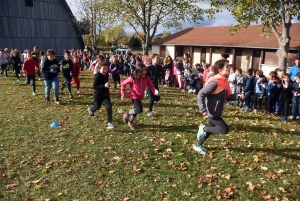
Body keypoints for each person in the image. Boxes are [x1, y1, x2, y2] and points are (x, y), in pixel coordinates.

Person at [194, 60, 239, 155]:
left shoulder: (225, 82)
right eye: (227, 67)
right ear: (220, 70)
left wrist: (238, 96)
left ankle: (198, 145)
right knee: (224, 129)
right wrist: (203, 109)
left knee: (211, 129)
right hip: (212, 112)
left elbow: (228, 97)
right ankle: (204, 128)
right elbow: (200, 94)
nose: (229, 68)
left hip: (216, 111)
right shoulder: (215, 83)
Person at [121, 63, 159, 130]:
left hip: (140, 96)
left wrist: (155, 91)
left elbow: (151, 86)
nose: (145, 72)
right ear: (138, 71)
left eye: (145, 70)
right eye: (143, 70)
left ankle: (130, 122)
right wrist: (123, 94)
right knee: (139, 109)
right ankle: (127, 113)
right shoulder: (133, 78)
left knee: (136, 110)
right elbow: (123, 83)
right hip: (134, 95)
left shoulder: (147, 78)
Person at [87, 61, 115, 129]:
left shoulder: (106, 75)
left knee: (109, 107)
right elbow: (95, 87)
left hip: (105, 95)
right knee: (97, 107)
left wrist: (109, 87)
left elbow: (106, 83)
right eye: (104, 69)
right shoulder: (97, 76)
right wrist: (104, 86)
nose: (105, 70)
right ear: (99, 69)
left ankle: (109, 123)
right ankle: (91, 109)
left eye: (106, 69)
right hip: (98, 95)